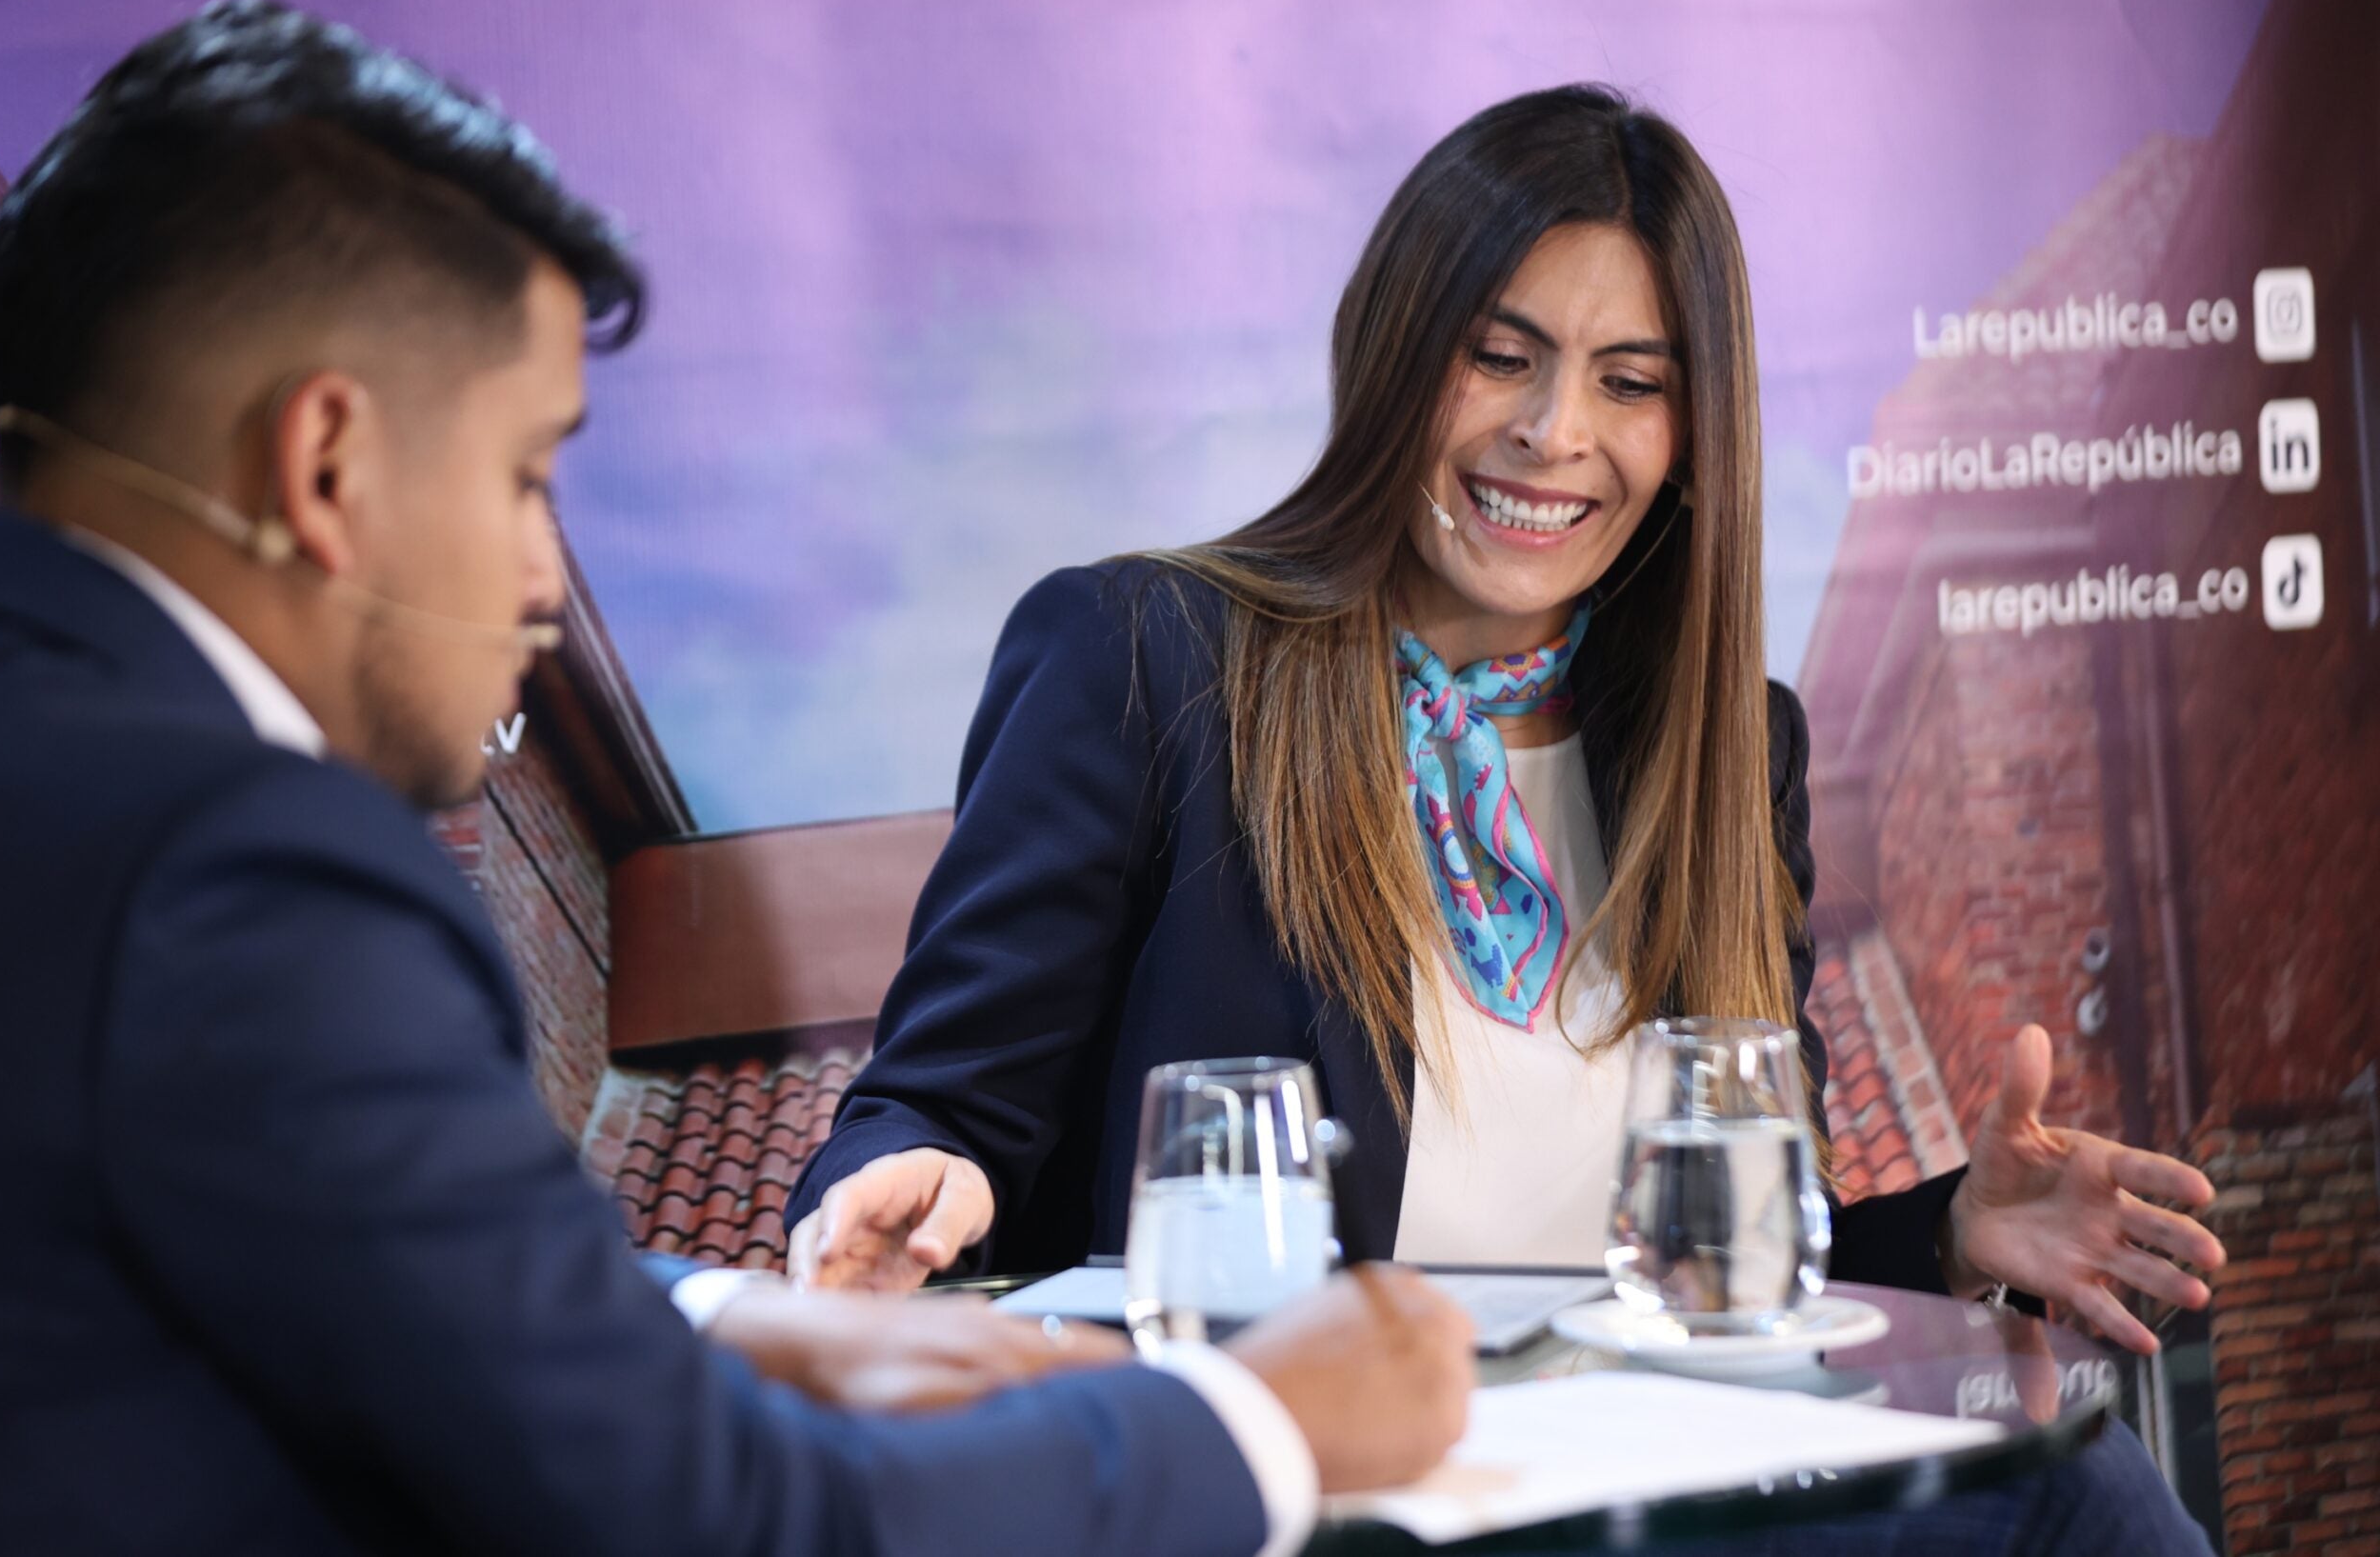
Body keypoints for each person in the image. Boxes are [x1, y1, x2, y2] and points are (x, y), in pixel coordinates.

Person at [0, 0, 1477, 1557]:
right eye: (527, 475)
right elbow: (711, 1520)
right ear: (326, 464)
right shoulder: (240, 867)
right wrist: (1262, 1427)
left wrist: (732, 1315)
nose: (545, 584)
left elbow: (346, 1254)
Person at [786, 86, 2225, 1348]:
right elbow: (938, 1114)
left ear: (1690, 438)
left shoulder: (1728, 755)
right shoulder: (1145, 661)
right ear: (1396, 354)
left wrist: (1954, 1237)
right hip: (1297, 1497)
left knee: (2071, 1496)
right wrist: (912, 1186)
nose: (1556, 433)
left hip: (1646, 1505)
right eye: (1500, 354)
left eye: (1631, 382)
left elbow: (1722, 1265)